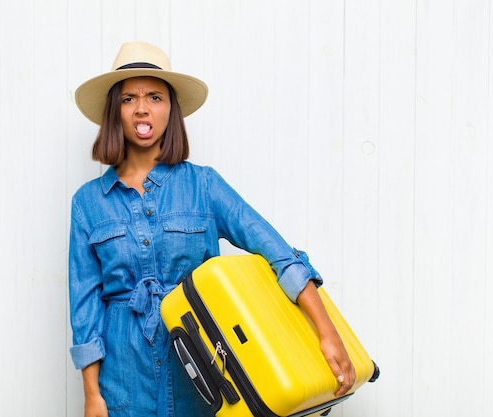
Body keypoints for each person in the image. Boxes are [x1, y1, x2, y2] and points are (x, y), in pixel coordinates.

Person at [69, 41, 355, 417]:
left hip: (201, 370)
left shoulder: (204, 186)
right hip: (122, 382)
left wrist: (327, 332)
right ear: (115, 111)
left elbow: (278, 253)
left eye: (155, 96)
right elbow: (85, 307)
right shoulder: (88, 202)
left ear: (171, 109)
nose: (142, 108)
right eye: (129, 98)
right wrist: (93, 395)